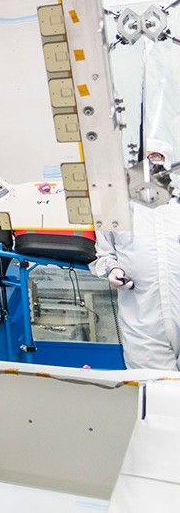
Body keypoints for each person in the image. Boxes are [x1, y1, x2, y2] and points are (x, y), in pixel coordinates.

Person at [92, 140, 180, 371]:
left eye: (158, 156)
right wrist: (113, 270)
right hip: (143, 323)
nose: (151, 163)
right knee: (153, 388)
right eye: (145, 157)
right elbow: (104, 253)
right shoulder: (114, 205)